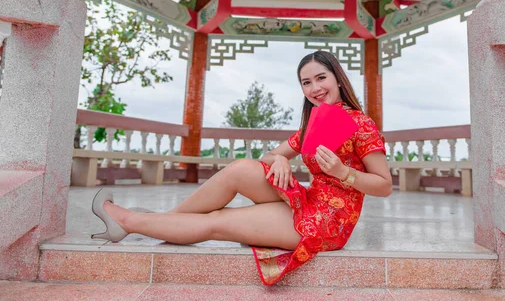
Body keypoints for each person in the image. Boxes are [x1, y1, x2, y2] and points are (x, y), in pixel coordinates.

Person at [91, 50, 392, 285]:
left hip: (329, 223)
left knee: (219, 221)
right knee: (240, 169)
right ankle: (164, 221)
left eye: (321, 78)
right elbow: (270, 154)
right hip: (310, 202)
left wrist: (343, 172)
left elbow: (384, 185)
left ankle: (128, 222)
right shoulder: (315, 123)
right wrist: (282, 159)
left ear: (338, 78)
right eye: (306, 82)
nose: (315, 88)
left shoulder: (360, 124)